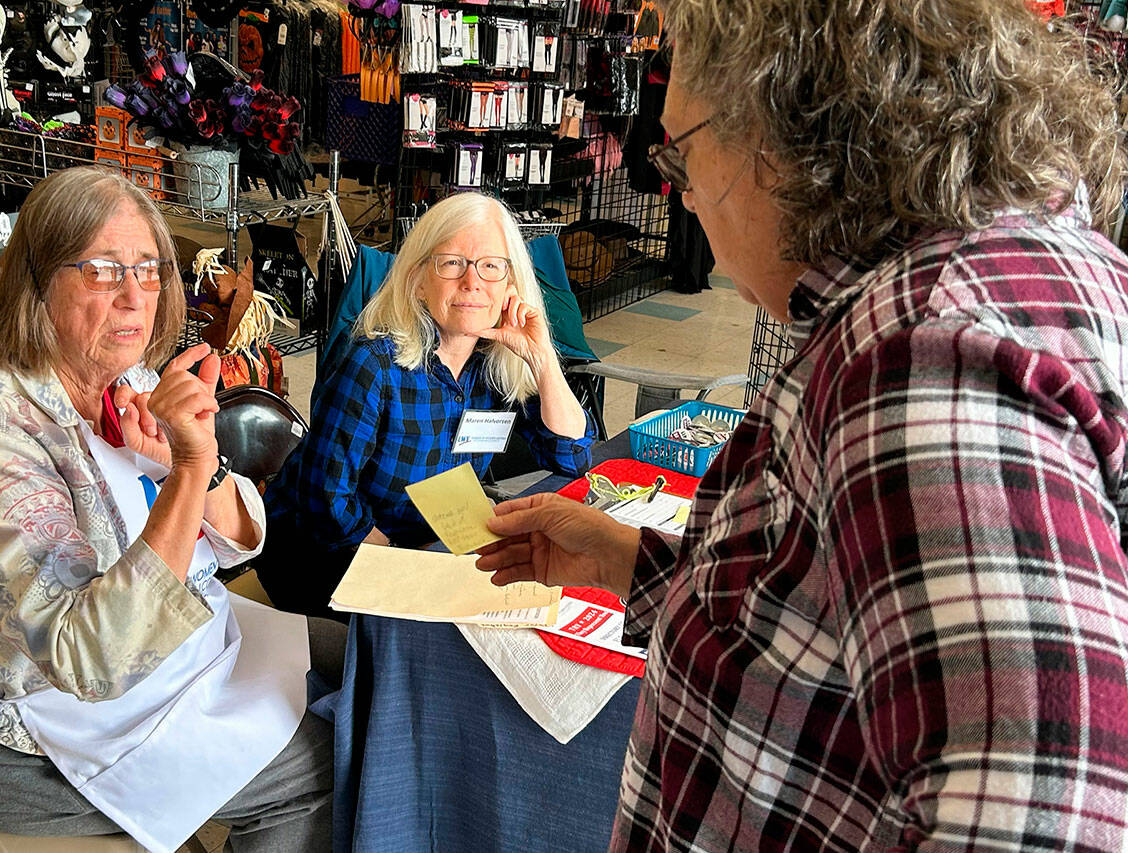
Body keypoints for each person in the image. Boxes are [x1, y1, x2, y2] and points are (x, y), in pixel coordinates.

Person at [478, 2, 1128, 850]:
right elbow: (828, 617)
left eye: (680, 148)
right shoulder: (1008, 271)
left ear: (781, 125)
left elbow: (1040, 812)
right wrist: (630, 563)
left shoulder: (921, 353)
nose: (676, 185)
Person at [0, 166, 337, 852]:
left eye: (151, 269)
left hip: (163, 653)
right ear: (37, 281)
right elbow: (89, 659)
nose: (135, 297)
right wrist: (186, 471)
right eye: (101, 270)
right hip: (18, 727)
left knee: (376, 655)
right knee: (325, 760)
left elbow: (244, 538)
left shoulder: (115, 371)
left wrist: (198, 464)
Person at [260, 192, 595, 616]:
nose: (473, 282)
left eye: (491, 266)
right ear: (418, 279)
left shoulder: (496, 362)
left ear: (511, 285)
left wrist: (543, 359)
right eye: (452, 263)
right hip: (323, 558)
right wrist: (409, 566)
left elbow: (572, 454)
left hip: (428, 543)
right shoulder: (373, 362)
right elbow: (327, 501)